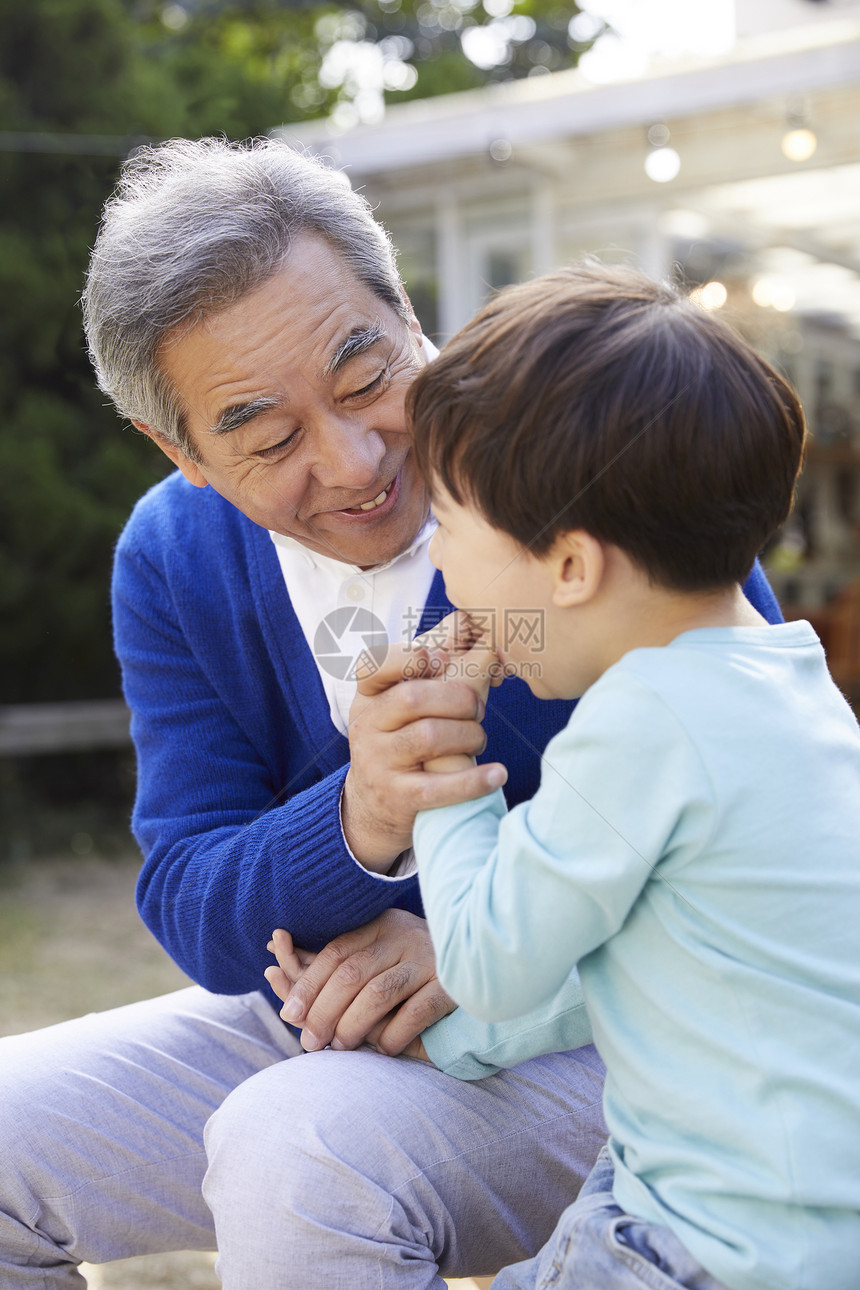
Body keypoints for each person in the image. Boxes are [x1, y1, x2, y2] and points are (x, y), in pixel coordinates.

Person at [0, 139, 779, 1290]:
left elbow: (755, 807)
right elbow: (191, 900)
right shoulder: (174, 555)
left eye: (368, 379)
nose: (357, 460)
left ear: (407, 310)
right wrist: (358, 820)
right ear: (181, 452)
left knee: (298, 1150)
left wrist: (486, 947)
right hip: (331, 1028)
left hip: (628, 1031)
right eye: (268, 439)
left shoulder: (575, 444)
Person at [396, 263, 860, 1289]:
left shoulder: (638, 721)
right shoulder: (789, 687)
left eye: (446, 526)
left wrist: (440, 756)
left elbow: (483, 959)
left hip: (704, 1246)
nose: (439, 567)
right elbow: (673, 961)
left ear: (566, 568)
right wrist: (454, 1041)